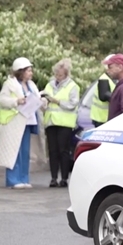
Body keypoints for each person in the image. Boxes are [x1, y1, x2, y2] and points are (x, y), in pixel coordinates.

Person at [0, 57, 41, 189]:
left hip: (28, 121)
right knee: (14, 150)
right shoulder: (9, 84)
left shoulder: (31, 85)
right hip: (14, 122)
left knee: (25, 152)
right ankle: (13, 180)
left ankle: (24, 178)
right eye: (28, 71)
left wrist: (42, 101)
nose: (31, 73)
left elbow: (37, 97)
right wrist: (16, 101)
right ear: (20, 71)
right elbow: (2, 100)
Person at [41, 58, 80, 188]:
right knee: (53, 151)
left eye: (61, 75)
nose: (58, 77)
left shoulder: (73, 86)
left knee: (63, 150)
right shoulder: (50, 85)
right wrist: (44, 102)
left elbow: (73, 104)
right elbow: (44, 100)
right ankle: (53, 178)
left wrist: (57, 101)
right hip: (51, 121)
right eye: (56, 74)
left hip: (65, 123)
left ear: (66, 74)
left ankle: (64, 178)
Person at [91, 55, 116, 127]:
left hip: (104, 118)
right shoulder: (104, 79)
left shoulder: (111, 79)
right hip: (102, 118)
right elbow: (104, 95)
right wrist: (119, 97)